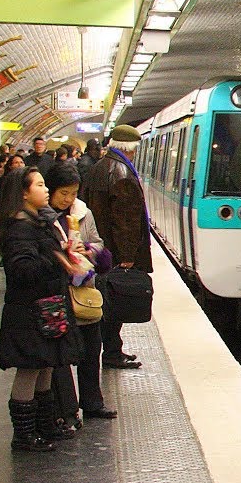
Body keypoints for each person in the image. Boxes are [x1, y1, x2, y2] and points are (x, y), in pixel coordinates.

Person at [0, 167, 87, 451]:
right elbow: (21, 269)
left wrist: (67, 253)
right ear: (23, 192)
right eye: (40, 185)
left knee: (45, 365)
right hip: (29, 311)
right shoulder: (20, 227)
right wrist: (59, 260)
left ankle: (44, 426)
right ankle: (23, 435)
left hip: (45, 308)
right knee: (29, 369)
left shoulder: (37, 223)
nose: (46, 190)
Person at [45, 163, 117, 427]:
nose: (68, 199)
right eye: (63, 193)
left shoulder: (83, 214)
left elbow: (102, 250)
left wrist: (88, 250)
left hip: (84, 293)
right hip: (56, 296)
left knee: (91, 349)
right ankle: (66, 408)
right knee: (62, 356)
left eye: (73, 193)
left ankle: (92, 402)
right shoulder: (44, 219)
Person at [81, 125, 150, 370]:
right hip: (114, 252)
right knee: (114, 303)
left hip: (99, 248)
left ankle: (112, 349)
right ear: (130, 150)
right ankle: (111, 353)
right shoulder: (122, 174)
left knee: (105, 301)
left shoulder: (98, 168)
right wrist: (129, 255)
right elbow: (126, 220)